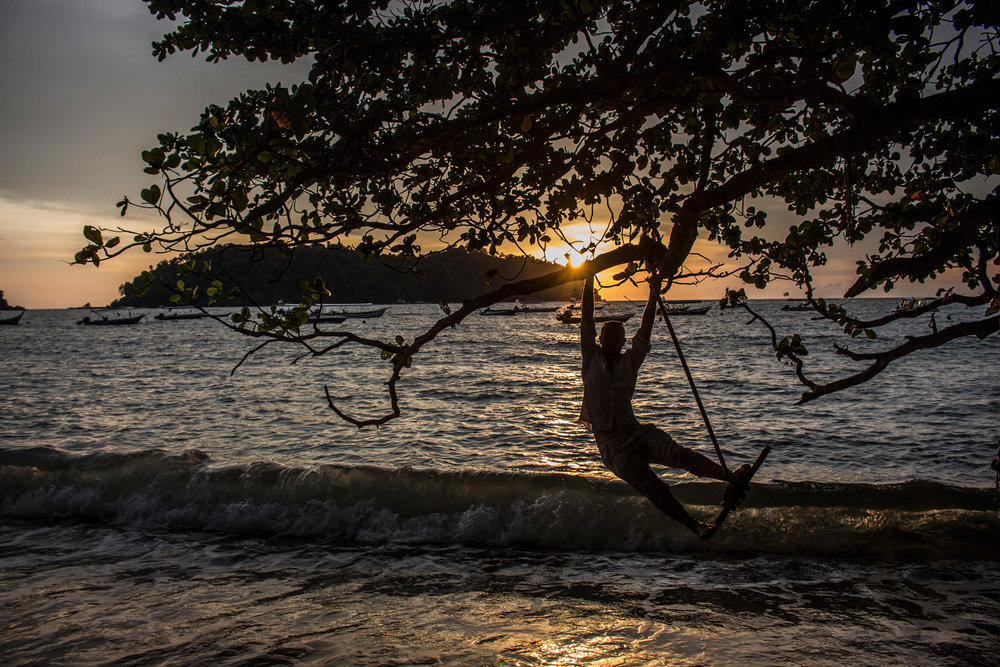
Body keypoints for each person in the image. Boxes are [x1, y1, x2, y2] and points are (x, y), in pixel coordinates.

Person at [579, 272, 750, 539]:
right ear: (601, 340)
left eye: (617, 337)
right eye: (608, 336)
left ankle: (730, 477)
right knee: (656, 490)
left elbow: (645, 329)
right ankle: (695, 526)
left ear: (623, 341)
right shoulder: (589, 358)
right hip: (611, 444)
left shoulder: (630, 361)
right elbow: (586, 321)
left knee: (680, 456)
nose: (612, 340)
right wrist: (588, 282)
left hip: (636, 432)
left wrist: (652, 293)